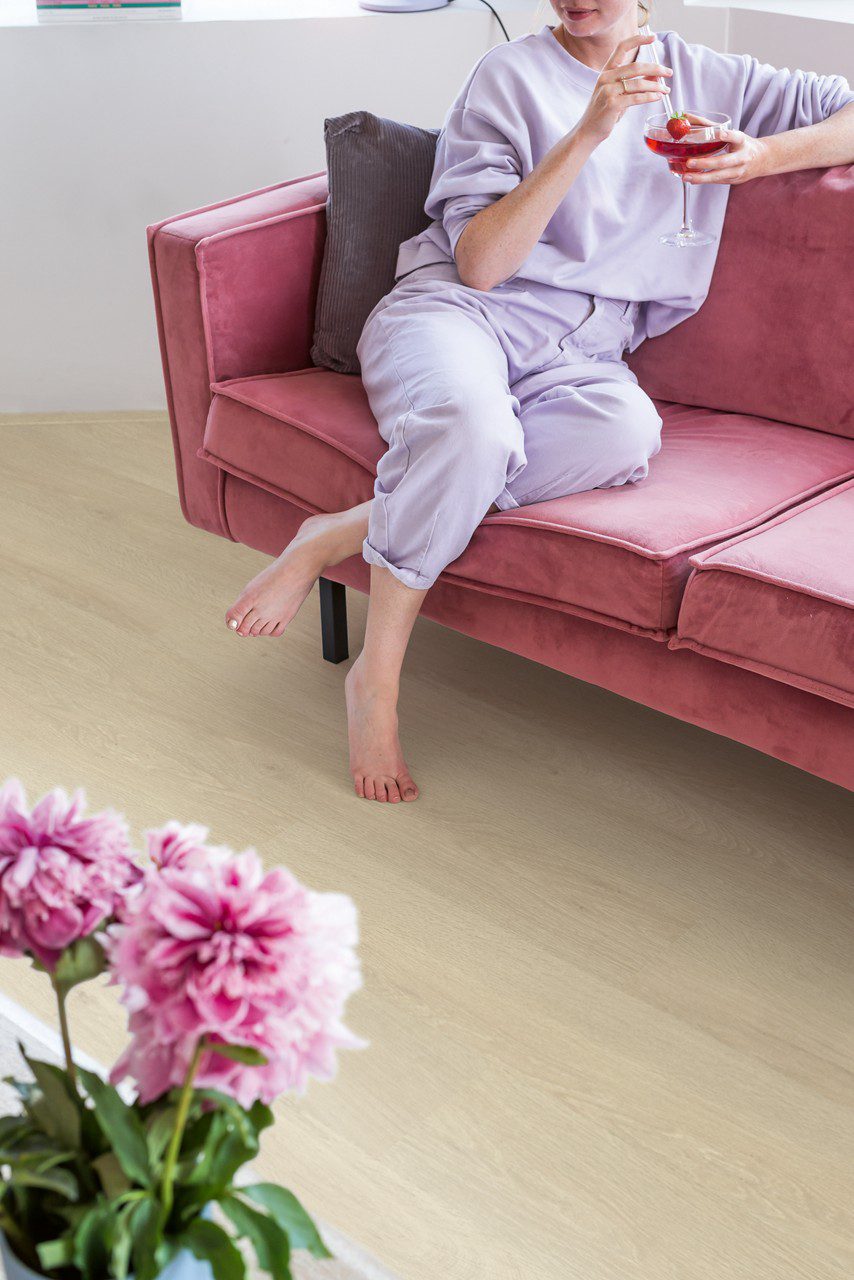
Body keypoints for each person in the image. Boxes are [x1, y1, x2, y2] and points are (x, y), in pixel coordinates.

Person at [225, 1, 854, 804]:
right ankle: (375, 683)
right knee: (473, 432)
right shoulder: (508, 75)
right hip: (459, 316)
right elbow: (482, 265)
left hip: (583, 353)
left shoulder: (707, 76)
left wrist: (761, 155)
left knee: (627, 435)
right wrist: (589, 132)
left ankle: (335, 533)